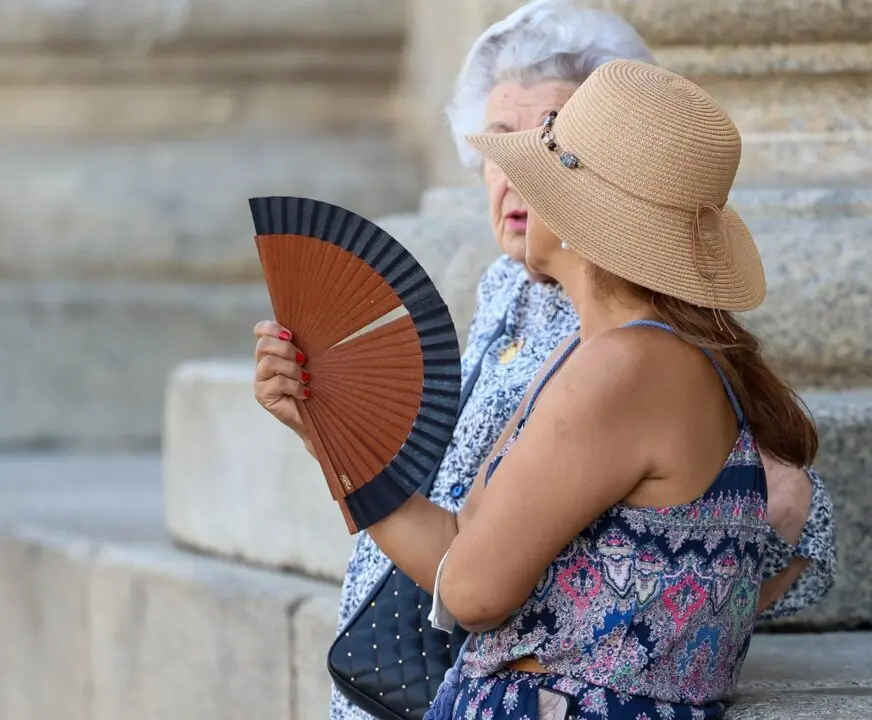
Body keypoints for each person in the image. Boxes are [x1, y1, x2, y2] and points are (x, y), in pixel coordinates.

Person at [251, 2, 835, 717]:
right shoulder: (597, 352)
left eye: (544, 157)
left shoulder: (624, 368)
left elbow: (470, 594)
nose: (514, 181)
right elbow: (458, 552)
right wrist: (326, 429)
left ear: (589, 211)